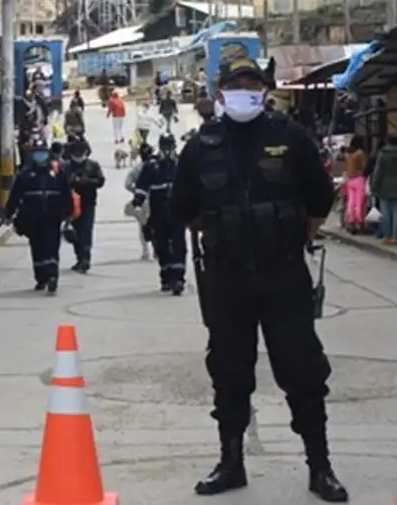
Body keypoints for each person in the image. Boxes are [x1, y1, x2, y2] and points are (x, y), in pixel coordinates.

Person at [170, 57, 348, 502]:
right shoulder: (201, 145)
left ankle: (319, 467)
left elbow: (320, 197)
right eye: (236, 83)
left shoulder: (290, 137)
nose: (245, 90)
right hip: (227, 278)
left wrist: (284, 235)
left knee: (302, 369)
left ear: (265, 89)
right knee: (229, 371)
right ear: (220, 90)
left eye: (253, 83)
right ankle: (231, 464)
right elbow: (182, 206)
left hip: (283, 273)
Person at [3, 139, 74, 292]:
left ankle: (52, 276)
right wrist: (9, 214)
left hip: (52, 217)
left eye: (42, 152)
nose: (40, 155)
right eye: (37, 153)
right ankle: (41, 278)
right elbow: (15, 196)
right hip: (32, 218)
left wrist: (68, 213)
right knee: (38, 247)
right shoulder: (25, 175)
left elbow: (66, 194)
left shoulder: (56, 173)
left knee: (52, 246)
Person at [133, 132, 186, 294]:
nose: (167, 151)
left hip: (177, 211)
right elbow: (142, 185)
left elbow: (192, 185)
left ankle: (178, 278)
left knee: (178, 244)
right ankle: (166, 275)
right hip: (158, 212)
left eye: (170, 147)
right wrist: (138, 203)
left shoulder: (182, 164)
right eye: (165, 147)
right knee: (161, 244)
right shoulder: (151, 166)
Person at [66, 138, 105, 273]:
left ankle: (86, 259)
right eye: (76, 152)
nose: (78, 155)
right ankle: (79, 257)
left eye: (81, 152)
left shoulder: (93, 165)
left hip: (88, 203)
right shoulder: (67, 166)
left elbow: (100, 181)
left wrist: (86, 181)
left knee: (86, 230)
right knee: (75, 232)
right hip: (71, 205)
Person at [125, 142, 155, 260]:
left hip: (141, 201)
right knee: (156, 225)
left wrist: (136, 191)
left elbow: (127, 184)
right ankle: (156, 249)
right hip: (155, 199)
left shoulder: (137, 168)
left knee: (142, 226)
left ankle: (145, 251)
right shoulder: (155, 166)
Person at [370, 133, 397, 243]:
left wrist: (374, 186)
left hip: (384, 185)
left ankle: (387, 236)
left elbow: (378, 171)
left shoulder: (382, 154)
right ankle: (395, 236)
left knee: (385, 212)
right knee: (396, 212)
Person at [343, 135, 368, 233]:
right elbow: (365, 167)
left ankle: (351, 221)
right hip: (359, 179)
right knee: (359, 203)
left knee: (351, 202)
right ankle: (360, 223)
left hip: (350, 179)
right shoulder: (360, 153)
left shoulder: (347, 154)